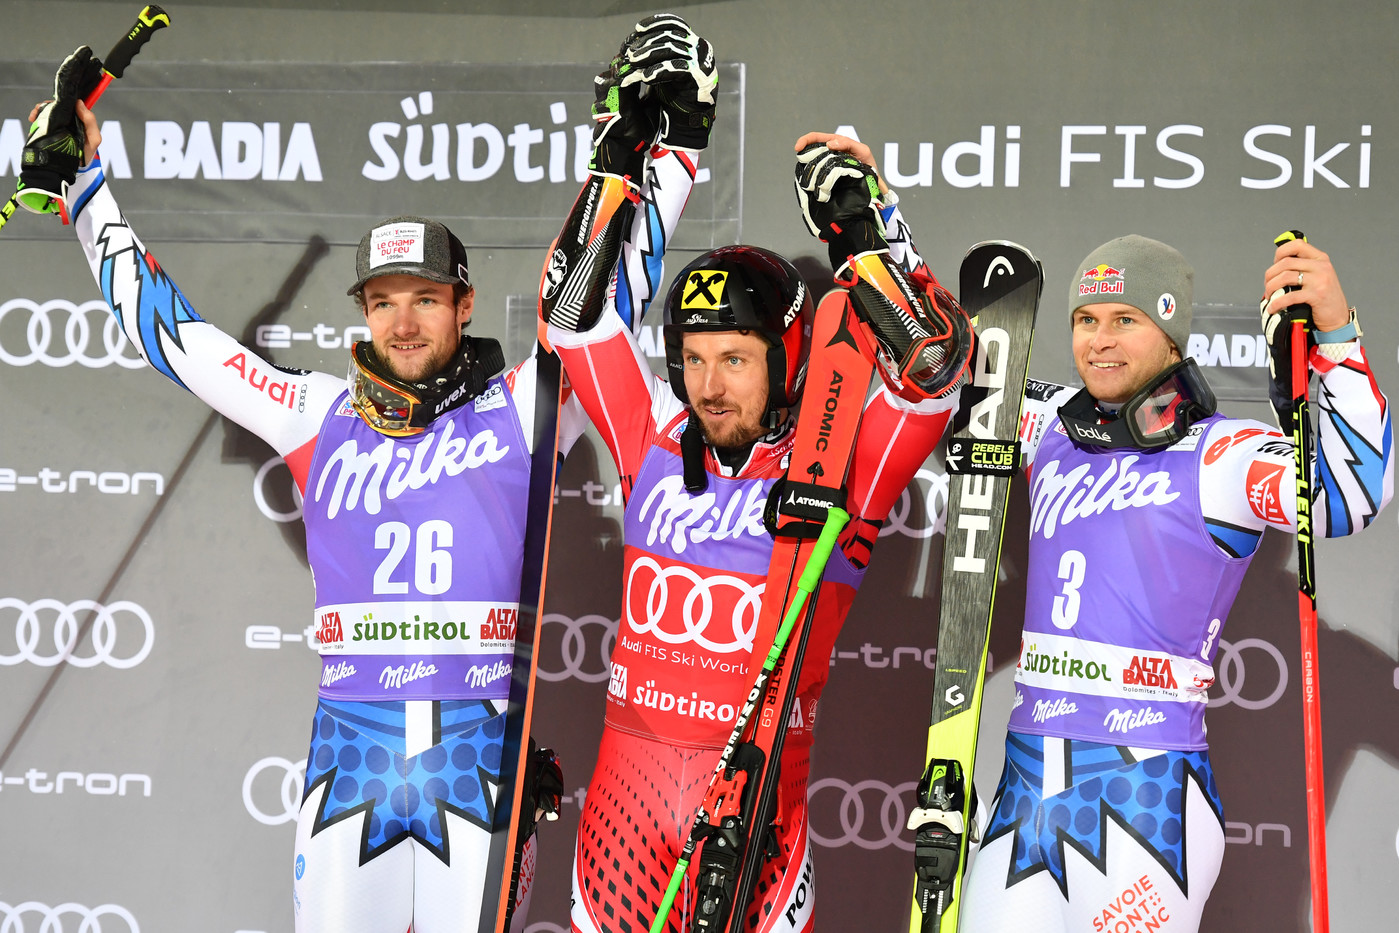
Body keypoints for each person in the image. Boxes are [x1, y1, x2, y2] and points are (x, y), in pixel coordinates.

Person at [25, 47, 570, 933]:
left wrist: (655, 159)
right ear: (361, 310)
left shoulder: (524, 407)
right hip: (352, 761)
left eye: (425, 298)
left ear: (465, 305)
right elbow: (173, 337)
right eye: (383, 300)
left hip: (477, 763)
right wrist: (85, 186)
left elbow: (589, 313)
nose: (401, 322)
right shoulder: (316, 411)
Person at [536, 16, 974, 933]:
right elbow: (572, 316)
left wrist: (869, 233)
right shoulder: (653, 433)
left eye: (734, 358)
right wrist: (632, 162)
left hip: (760, 827)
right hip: (616, 825)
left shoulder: (845, 459)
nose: (707, 384)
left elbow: (935, 368)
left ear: (785, 354)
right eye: (692, 358)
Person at [957, 233, 1393, 932]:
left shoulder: (1222, 453)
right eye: (1084, 320)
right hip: (1025, 799)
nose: (1099, 340)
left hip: (1145, 800)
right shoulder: (1044, 424)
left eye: (1124, 320)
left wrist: (1337, 336)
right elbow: (931, 369)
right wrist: (872, 231)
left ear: (1170, 337)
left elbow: (1346, 493)